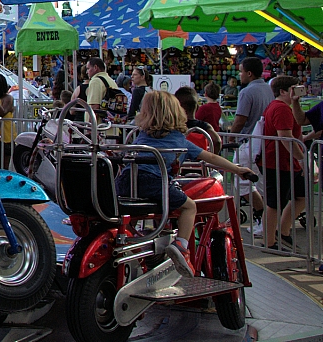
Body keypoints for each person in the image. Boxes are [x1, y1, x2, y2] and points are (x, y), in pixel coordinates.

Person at [116, 90, 252, 277]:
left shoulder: (141, 135)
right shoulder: (179, 140)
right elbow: (210, 157)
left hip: (126, 181)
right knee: (189, 207)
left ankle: (137, 242)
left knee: (133, 212)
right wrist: (237, 169)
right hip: (154, 182)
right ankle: (181, 245)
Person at [261, 75, 306, 250]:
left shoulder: (284, 107)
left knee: (299, 196)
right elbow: (285, 136)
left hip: (285, 161)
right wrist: (300, 157)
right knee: (275, 202)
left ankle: (282, 232)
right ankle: (269, 240)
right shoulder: (280, 109)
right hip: (279, 161)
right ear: (283, 91)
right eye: (294, 88)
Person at [175, 86, 221, 152]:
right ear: (197, 107)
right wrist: (211, 158)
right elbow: (217, 141)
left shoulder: (173, 126)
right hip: (201, 159)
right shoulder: (205, 126)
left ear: (177, 108)